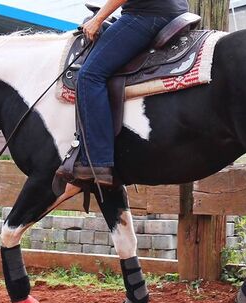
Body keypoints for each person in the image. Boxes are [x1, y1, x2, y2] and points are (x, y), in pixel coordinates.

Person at [64, 0, 189, 186]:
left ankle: (97, 162)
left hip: (147, 15)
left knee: (89, 76)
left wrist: (98, 19)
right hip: (175, 11)